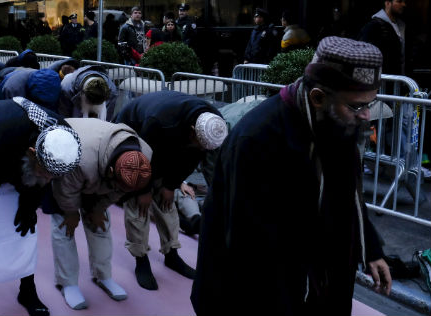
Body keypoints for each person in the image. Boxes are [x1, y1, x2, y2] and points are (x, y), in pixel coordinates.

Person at [192, 37, 392, 315]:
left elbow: (347, 196)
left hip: (318, 280)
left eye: (371, 103)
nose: (366, 115)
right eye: (357, 106)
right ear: (318, 97)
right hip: (261, 289)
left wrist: (370, 248)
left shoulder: (336, 120)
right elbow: (245, 245)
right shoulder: (257, 137)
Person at [0, 97, 81, 316]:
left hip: (17, 163)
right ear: (32, 152)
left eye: (54, 176)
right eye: (45, 173)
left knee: (24, 233)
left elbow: (45, 178)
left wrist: (29, 207)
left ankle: (27, 290)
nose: (49, 179)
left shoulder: (64, 140)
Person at [114, 91, 227, 291]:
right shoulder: (159, 121)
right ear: (192, 130)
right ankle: (141, 259)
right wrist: (143, 190)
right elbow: (140, 159)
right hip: (134, 140)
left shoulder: (212, 124)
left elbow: (194, 157)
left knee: (167, 203)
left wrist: (170, 185)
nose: (201, 149)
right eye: (198, 144)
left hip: (168, 143)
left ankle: (171, 254)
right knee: (138, 206)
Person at [51, 118, 153, 309]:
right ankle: (68, 284)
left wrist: (98, 209)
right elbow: (65, 189)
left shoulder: (145, 155)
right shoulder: (80, 157)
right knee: (65, 226)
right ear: (113, 170)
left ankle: (103, 276)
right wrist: (71, 212)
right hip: (67, 169)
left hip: (100, 172)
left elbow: (121, 189)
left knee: (100, 224)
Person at [358, 0, 406, 76]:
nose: (403, 5)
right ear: (387, 3)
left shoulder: (402, 26)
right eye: (399, 1)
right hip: (382, 79)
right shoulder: (375, 25)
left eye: (404, 2)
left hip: (398, 79)